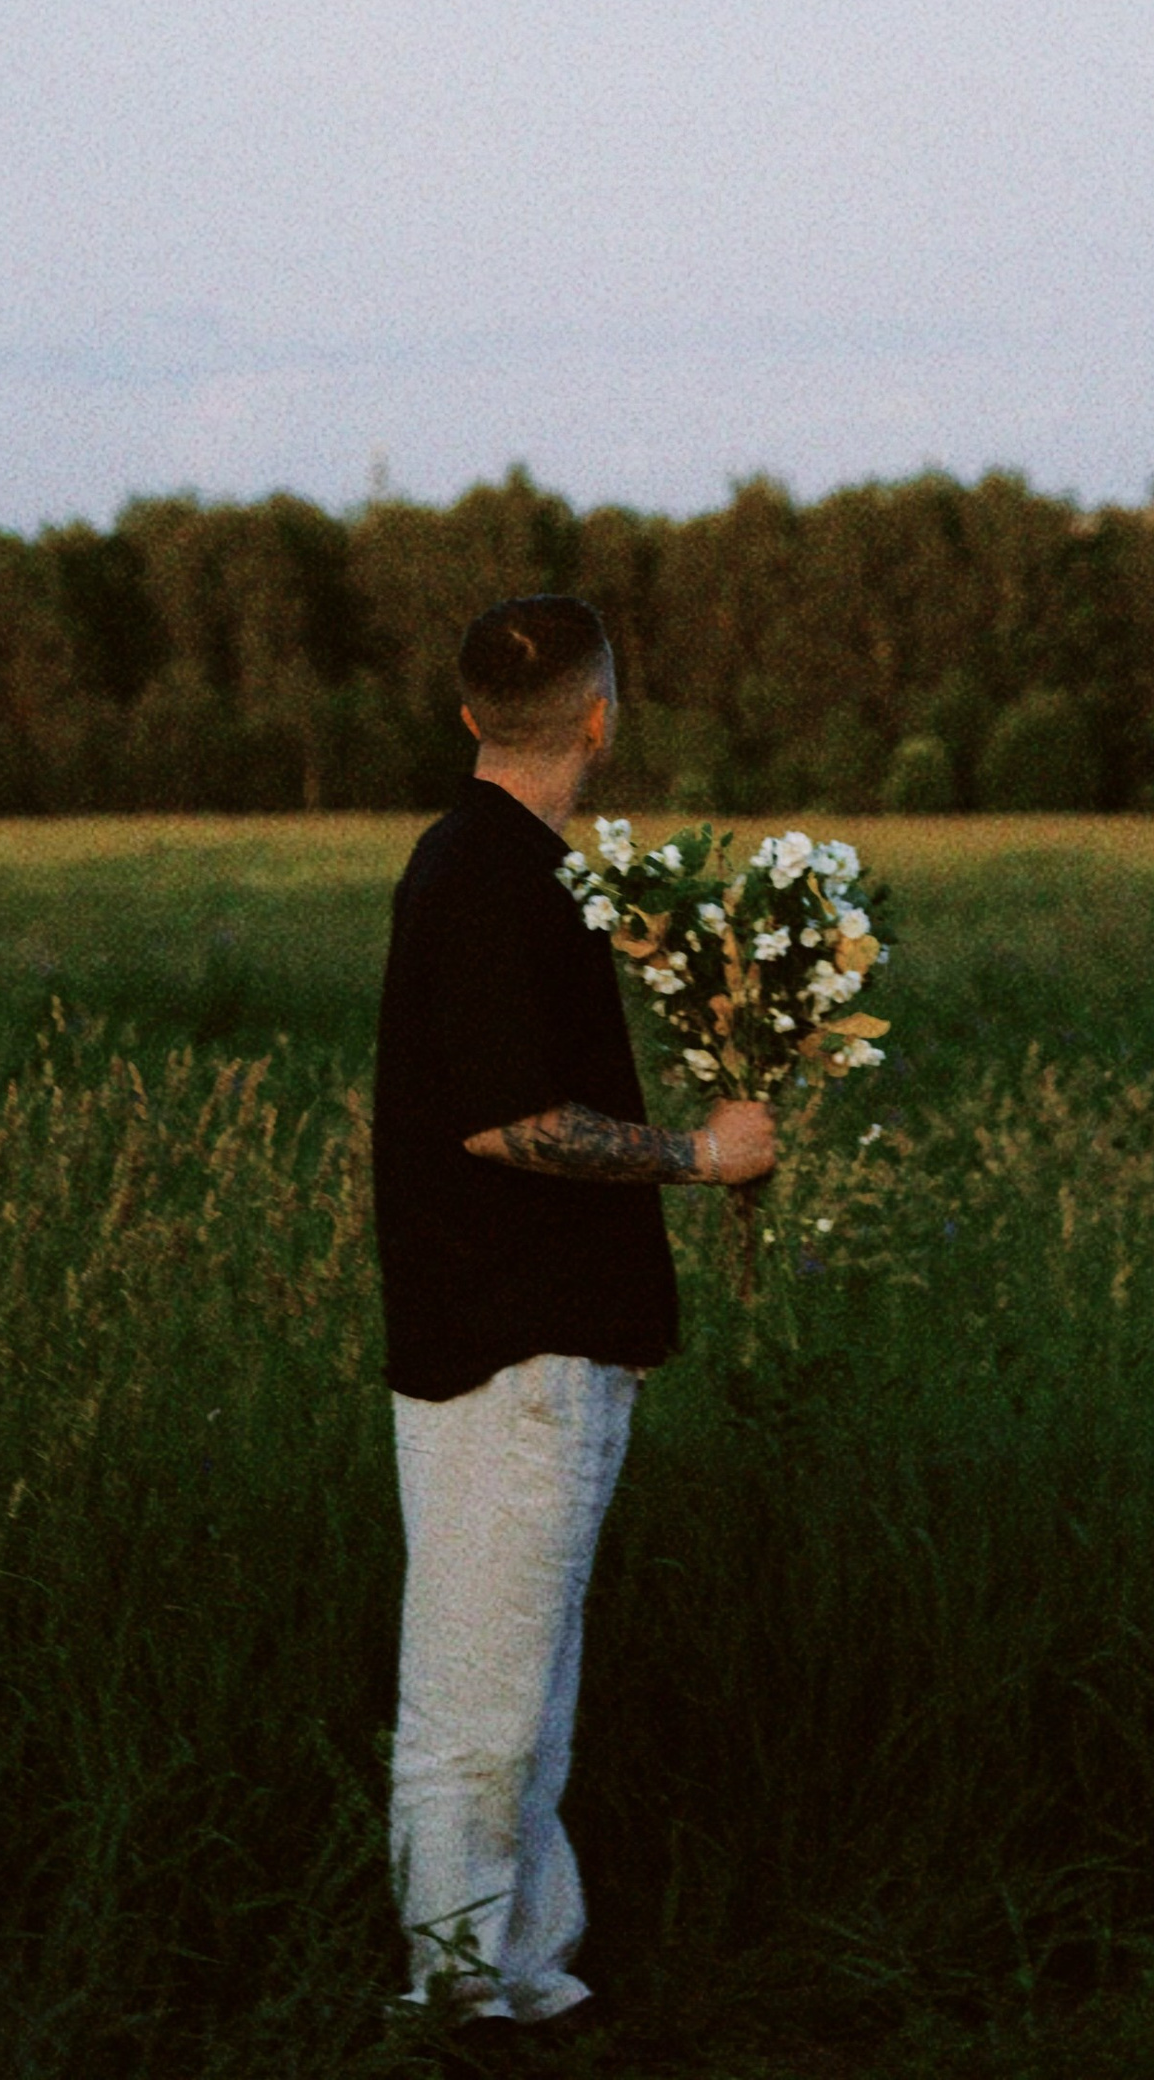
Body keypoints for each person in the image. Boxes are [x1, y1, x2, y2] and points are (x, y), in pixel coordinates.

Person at [370, 593, 776, 2031]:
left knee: (525, 1697)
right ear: (601, 720)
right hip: (508, 1350)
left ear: (469, 715)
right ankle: (459, 2000)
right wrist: (701, 1154)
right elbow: (504, 1122)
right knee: (479, 1709)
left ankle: (526, 1979)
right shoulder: (491, 876)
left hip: (539, 1340)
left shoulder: (506, 865)